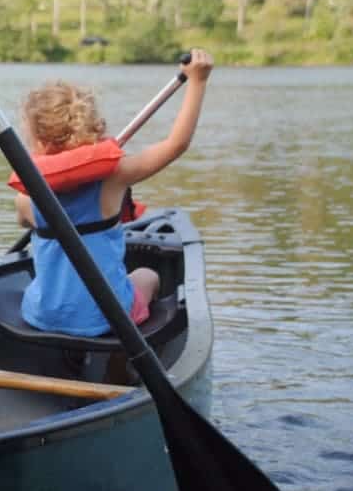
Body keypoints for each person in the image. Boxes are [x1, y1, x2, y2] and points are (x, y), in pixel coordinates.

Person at [13, 49, 213, 337]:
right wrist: (197, 82)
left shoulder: (25, 198)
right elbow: (176, 145)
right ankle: (119, 365)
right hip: (107, 318)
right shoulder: (114, 178)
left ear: (38, 141)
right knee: (147, 276)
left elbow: (23, 222)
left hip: (41, 315)